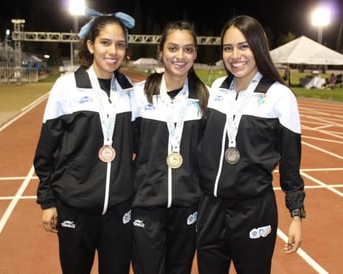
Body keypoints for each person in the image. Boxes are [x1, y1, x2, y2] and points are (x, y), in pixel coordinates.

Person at [196, 15, 306, 274]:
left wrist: (296, 214)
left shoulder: (279, 96)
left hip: (253, 211)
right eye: (228, 48)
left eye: (244, 46)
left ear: (258, 47)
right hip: (210, 208)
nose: (235, 55)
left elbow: (290, 163)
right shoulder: (217, 88)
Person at [33, 9, 135, 274]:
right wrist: (48, 201)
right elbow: (45, 154)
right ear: (90, 45)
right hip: (75, 209)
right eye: (105, 42)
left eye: (120, 44)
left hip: (118, 211)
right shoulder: (67, 87)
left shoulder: (130, 91)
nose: (113, 51)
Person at [131, 21, 209, 274]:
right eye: (173, 48)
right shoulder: (139, 95)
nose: (180, 56)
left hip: (187, 206)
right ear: (161, 51)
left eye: (188, 49)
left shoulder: (205, 98)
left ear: (195, 54)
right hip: (146, 204)